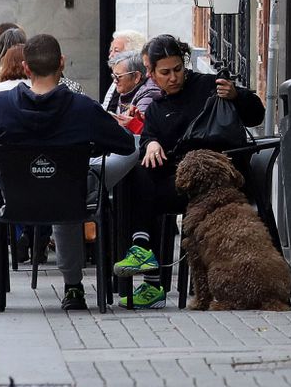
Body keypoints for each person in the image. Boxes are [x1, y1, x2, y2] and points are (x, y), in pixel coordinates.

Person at [0, 34, 136, 311]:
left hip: (15, 200)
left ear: (26, 69)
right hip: (72, 198)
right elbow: (126, 145)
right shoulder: (83, 108)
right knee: (71, 185)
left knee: (58, 186)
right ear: (62, 63)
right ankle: (74, 287)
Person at [113, 34, 264, 309]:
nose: (173, 78)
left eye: (178, 69)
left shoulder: (208, 86)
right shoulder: (158, 107)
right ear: (152, 74)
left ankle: (151, 275)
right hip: (181, 183)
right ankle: (143, 251)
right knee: (138, 172)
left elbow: (256, 115)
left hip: (218, 180)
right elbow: (148, 135)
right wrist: (151, 144)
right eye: (165, 73)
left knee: (146, 184)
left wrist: (236, 94)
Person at [103, 50, 158, 122]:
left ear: (136, 77)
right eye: (113, 76)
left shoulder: (148, 95)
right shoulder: (127, 91)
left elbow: (141, 130)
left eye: (118, 76)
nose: (115, 81)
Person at [101, 29, 148, 107]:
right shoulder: (118, 81)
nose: (110, 56)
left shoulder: (146, 89)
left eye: (116, 51)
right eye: (110, 51)